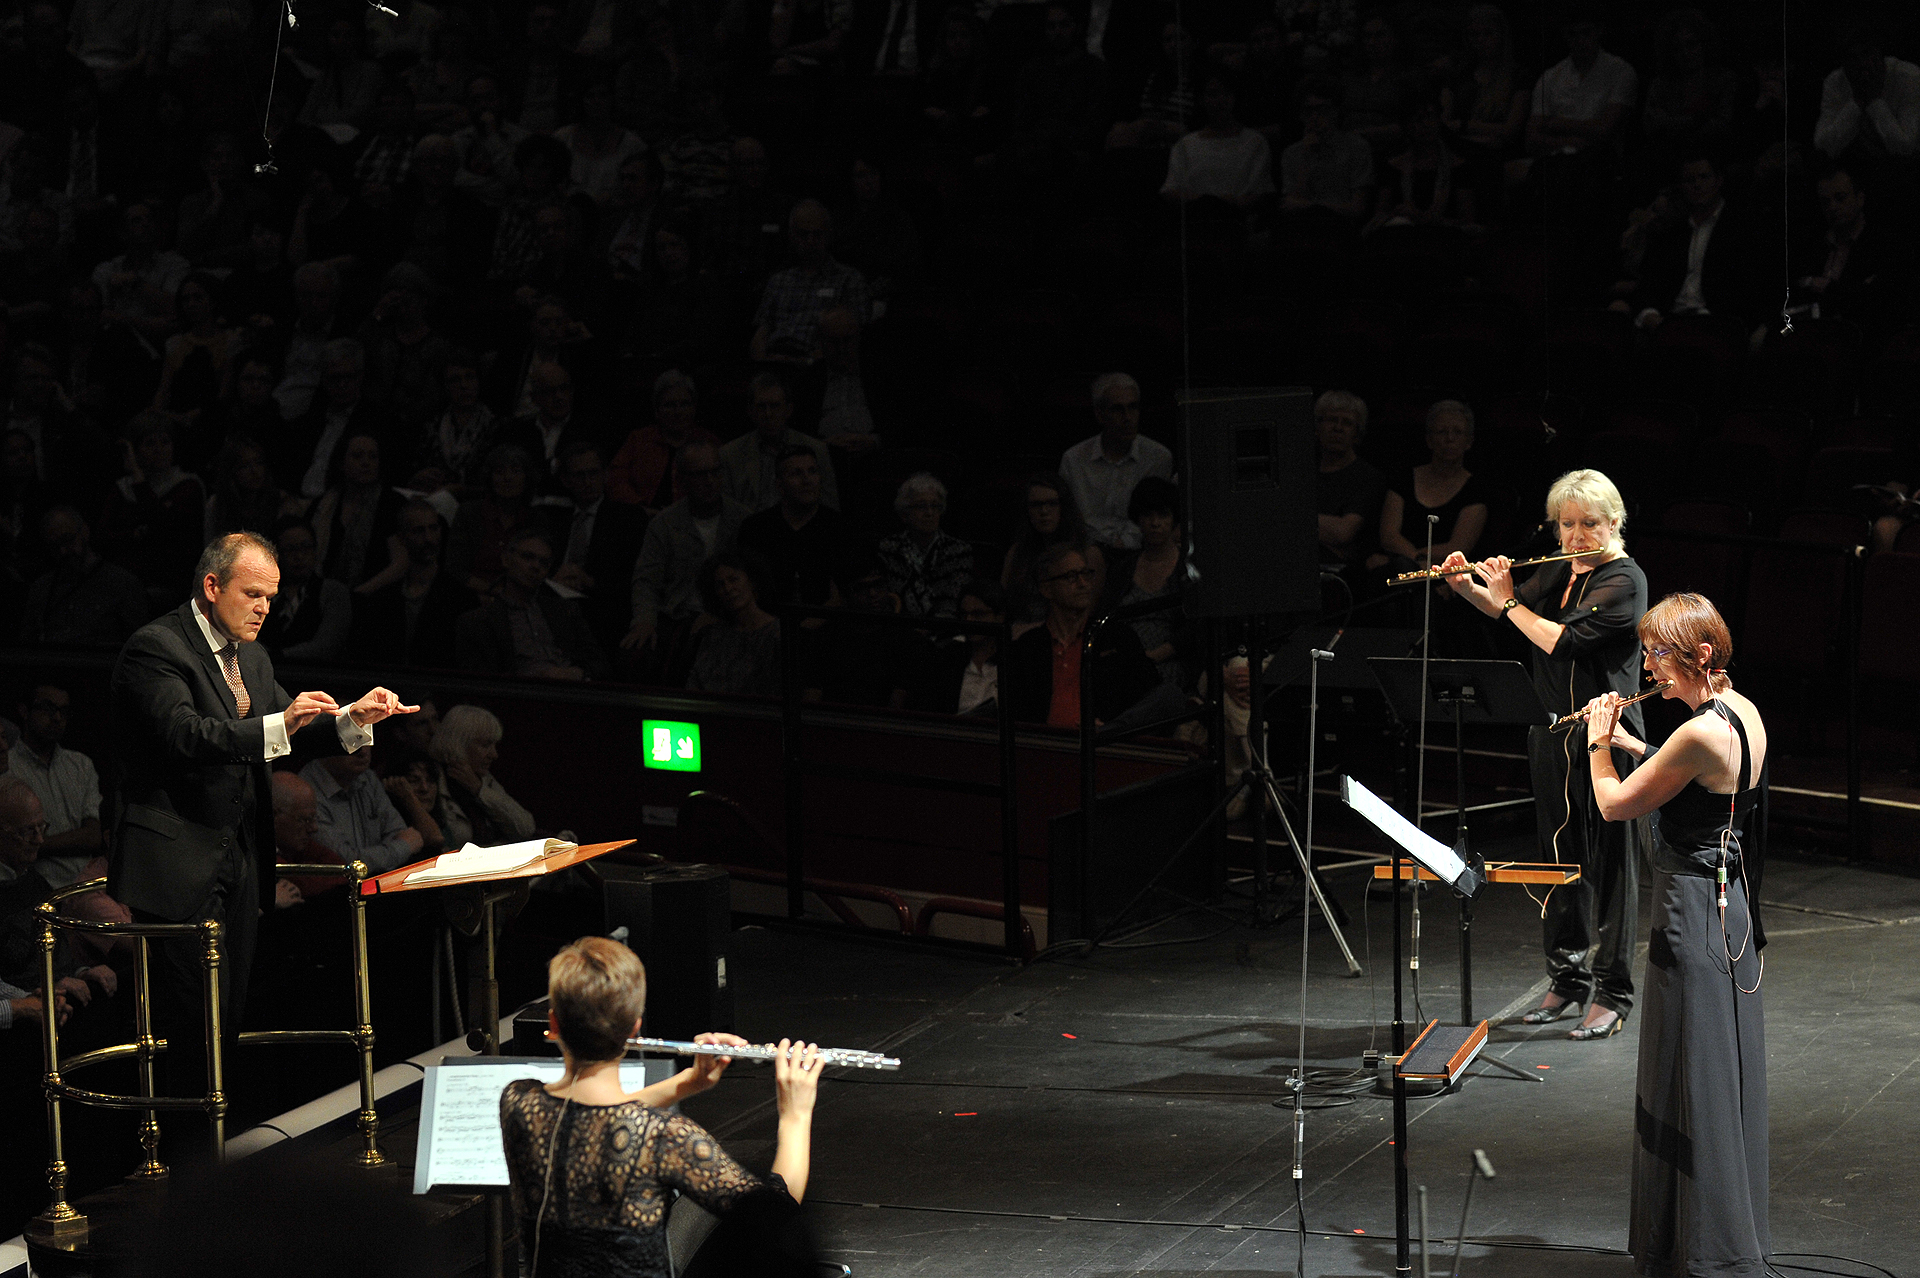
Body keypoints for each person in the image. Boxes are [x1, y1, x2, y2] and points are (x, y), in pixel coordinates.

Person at [108, 532, 415, 1098]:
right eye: (253, 595)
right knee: (189, 1022)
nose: (264, 609)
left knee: (226, 1016)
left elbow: (285, 732)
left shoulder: (251, 654)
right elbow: (185, 735)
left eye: (271, 598)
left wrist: (351, 717)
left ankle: (218, 1157)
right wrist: (284, 723)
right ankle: (182, 1170)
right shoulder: (156, 647)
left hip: (240, 861)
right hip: (176, 862)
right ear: (211, 586)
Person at [1580, 593, 1769, 1276]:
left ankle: (1706, 1250)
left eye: (1660, 653)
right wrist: (1638, 746)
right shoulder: (1740, 711)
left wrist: (1601, 742)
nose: (1650, 668)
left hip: (1692, 907)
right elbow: (1702, 780)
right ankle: (1699, 1239)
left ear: (1703, 655)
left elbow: (1613, 805)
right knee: (1712, 1071)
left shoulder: (1696, 735)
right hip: (1729, 902)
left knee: (1692, 1073)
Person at [1437, 469, 1650, 1040]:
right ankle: (1567, 979)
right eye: (1567, 524)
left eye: (1589, 524)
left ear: (1614, 523)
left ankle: (1613, 991)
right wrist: (1466, 586)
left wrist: (1507, 604)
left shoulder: (1624, 580)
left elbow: (1560, 638)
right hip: (1552, 735)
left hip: (1607, 738)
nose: (1576, 535)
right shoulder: (1558, 568)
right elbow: (1500, 610)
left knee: (1610, 869)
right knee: (1559, 863)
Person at [500, 936, 821, 1278]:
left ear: (553, 1025)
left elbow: (597, 1120)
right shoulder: (664, 1137)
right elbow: (777, 1215)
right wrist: (795, 1115)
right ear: (635, 1028)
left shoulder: (518, 1101)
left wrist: (688, 1082)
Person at [1005, 543, 1182, 733]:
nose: (1083, 583)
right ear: (1047, 589)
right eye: (1071, 577)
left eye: (1086, 574)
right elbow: (1017, 711)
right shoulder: (1029, 647)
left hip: (1107, 745)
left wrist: (1113, 726)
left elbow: (1150, 695)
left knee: (1171, 694)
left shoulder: (1116, 636)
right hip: (1043, 747)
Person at [622, 442, 749, 681]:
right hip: (676, 617)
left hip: (731, 617)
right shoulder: (665, 523)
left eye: (715, 472)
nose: (709, 480)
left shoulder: (743, 520)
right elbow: (646, 580)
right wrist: (644, 621)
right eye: (700, 474)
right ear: (682, 480)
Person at [455, 527, 609, 680]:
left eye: (544, 563)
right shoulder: (477, 621)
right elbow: (479, 679)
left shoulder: (566, 610)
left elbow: (599, 661)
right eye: (528, 557)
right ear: (506, 560)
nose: (536, 566)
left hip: (569, 690)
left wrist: (576, 673)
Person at [348, 499, 477, 667]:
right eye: (418, 531)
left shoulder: (461, 598)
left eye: (433, 528)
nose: (429, 538)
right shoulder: (383, 600)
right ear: (402, 538)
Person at [1058, 373, 1174, 552]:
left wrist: (1125, 543)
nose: (1128, 417)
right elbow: (1068, 520)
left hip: (1140, 551)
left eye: (1133, 407)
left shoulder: (1157, 457)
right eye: (1117, 409)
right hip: (1087, 553)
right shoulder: (1074, 460)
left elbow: (1158, 516)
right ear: (1099, 414)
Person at [736, 447, 864, 610]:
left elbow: (847, 592)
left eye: (812, 471)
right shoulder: (756, 528)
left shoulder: (841, 528)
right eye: (796, 473)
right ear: (779, 485)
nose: (807, 480)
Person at [8, 681, 105, 891]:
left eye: (63, 711)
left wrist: (36, 844)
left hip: (84, 888)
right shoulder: (8, 766)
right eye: (48, 708)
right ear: (25, 711)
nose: (57, 718)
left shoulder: (80, 765)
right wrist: (73, 839)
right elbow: (11, 847)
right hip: (31, 892)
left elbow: (93, 837)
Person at [1372, 400, 1488, 574]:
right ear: (1429, 440)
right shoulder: (1403, 479)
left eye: (1457, 432)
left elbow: (1458, 548)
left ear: (1469, 441)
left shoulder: (1476, 490)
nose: (1449, 439)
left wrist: (1423, 565)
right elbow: (1389, 536)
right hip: (1400, 567)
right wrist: (1419, 562)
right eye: (1442, 432)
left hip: (1446, 573)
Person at [749, 201, 870, 364]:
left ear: (828, 234)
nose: (810, 241)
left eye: (817, 234)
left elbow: (854, 338)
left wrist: (811, 361)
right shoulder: (778, 281)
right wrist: (764, 362)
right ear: (792, 235)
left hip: (818, 368)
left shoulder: (848, 280)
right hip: (775, 362)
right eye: (803, 234)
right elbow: (761, 333)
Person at [1101, 477, 1190, 689]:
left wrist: (1158, 654)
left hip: (1174, 664)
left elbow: (1197, 629)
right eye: (1148, 515)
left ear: (1174, 519)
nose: (1155, 523)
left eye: (1163, 515)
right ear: (1138, 519)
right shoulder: (1122, 570)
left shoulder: (1188, 569)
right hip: (1124, 666)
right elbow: (1106, 618)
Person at [20, 506, 150, 648]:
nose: (63, 551)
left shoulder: (122, 584)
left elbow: (140, 645)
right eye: (54, 546)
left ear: (85, 532)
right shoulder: (42, 589)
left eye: (68, 540)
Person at [718, 373, 839, 512]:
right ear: (751, 411)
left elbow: (830, 507)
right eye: (761, 406)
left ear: (788, 410)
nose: (768, 414)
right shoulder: (730, 454)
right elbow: (726, 511)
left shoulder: (815, 450)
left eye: (775, 406)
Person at [300, 745, 425, 875]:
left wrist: (375, 857)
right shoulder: (305, 791)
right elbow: (346, 864)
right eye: (351, 741)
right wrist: (402, 848)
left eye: (367, 740)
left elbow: (398, 831)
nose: (363, 751)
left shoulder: (367, 777)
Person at [1000, 473, 1105, 627]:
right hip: (1017, 635)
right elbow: (1002, 604)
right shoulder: (1018, 552)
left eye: (1052, 503)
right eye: (1036, 505)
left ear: (1064, 507)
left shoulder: (1087, 552)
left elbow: (1085, 616)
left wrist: (1033, 632)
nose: (1044, 511)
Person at [606, 370, 719, 512]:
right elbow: (615, 480)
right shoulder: (639, 440)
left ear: (694, 408)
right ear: (657, 410)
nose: (678, 412)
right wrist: (640, 508)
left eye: (684, 404)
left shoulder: (708, 442)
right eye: (670, 405)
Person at [428, 705, 536, 847]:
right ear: (459, 743)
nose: (494, 755)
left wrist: (479, 789)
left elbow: (525, 828)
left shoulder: (482, 779)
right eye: (485, 745)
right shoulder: (430, 778)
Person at [1813, 25, 1920, 163]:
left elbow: (1906, 149)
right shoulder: (1836, 82)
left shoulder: (1910, 78)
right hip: (1859, 165)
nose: (1862, 64)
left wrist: (1874, 101)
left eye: (1866, 54)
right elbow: (1822, 146)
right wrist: (1856, 104)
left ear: (1880, 54)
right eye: (1853, 58)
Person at [685, 552, 784, 697]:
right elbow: (696, 681)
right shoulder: (714, 635)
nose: (728, 589)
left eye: (734, 580)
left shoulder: (777, 633)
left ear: (751, 581)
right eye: (720, 584)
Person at [256, 519, 354, 663]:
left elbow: (327, 645)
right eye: (290, 549)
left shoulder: (332, 592)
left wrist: (279, 655)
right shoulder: (266, 593)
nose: (299, 557)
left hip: (317, 674)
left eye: (305, 548)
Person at [877, 473, 971, 618]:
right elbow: (888, 598)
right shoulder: (889, 549)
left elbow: (955, 601)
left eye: (935, 506)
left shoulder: (958, 551)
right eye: (921, 506)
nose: (929, 513)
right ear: (904, 514)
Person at [1314, 391, 1386, 572]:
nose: (1337, 428)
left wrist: (1293, 518)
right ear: (1317, 427)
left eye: (1346, 423)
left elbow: (1343, 532)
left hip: (1343, 572)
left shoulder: (1367, 477)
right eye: (1331, 420)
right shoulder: (1300, 472)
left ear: (1357, 433)